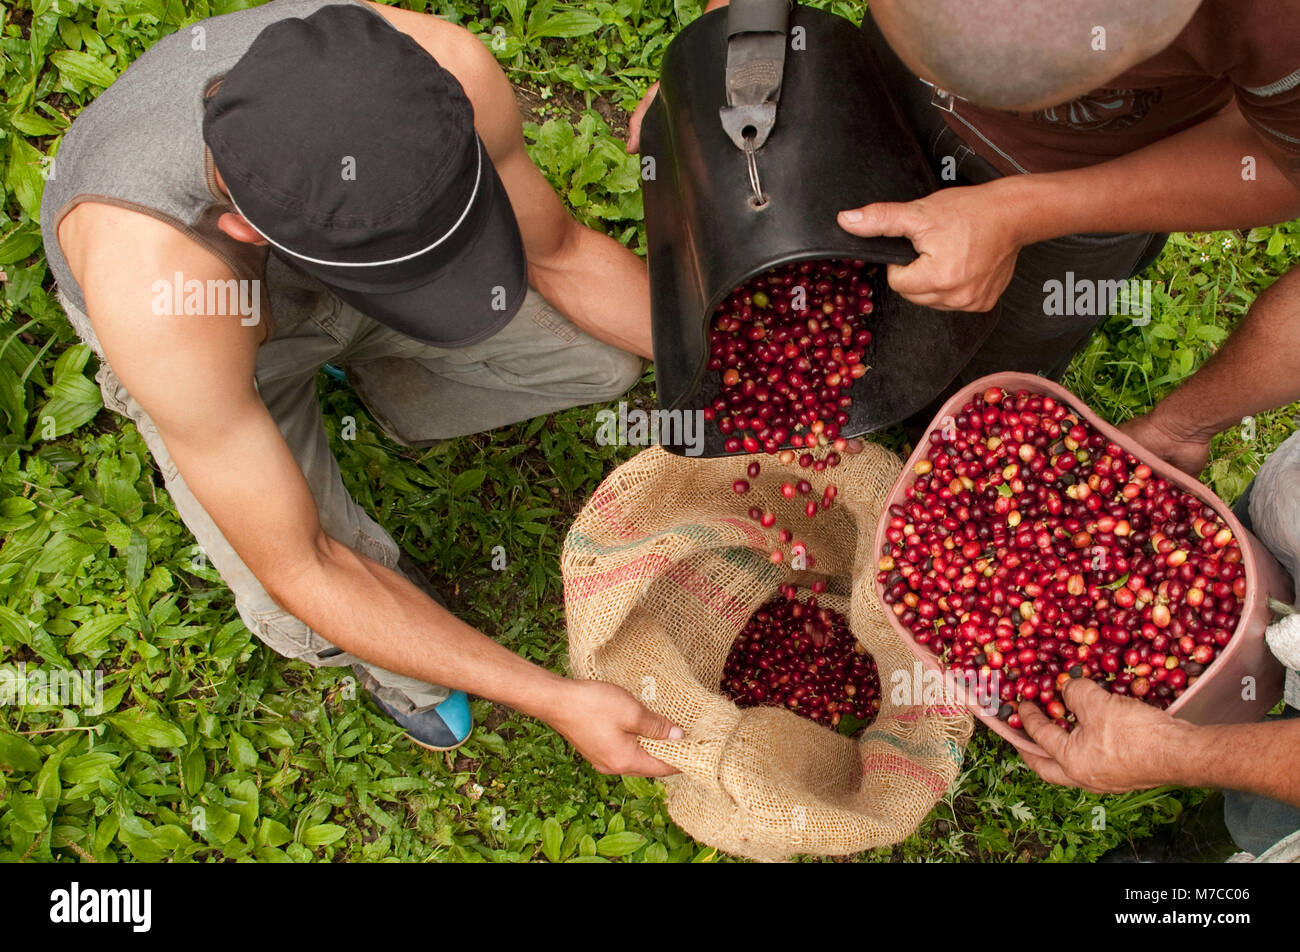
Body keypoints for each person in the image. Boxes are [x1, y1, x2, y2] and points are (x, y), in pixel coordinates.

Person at [41, 0, 681, 774]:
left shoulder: (444, 66)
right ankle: (400, 674)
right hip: (235, 349)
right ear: (248, 232)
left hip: (320, 286)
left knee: (600, 362)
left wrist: (737, 376)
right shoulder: (157, 290)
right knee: (318, 593)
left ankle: (382, 385)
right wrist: (556, 697)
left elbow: (563, 254)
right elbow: (303, 562)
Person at [627, 0, 1300, 386]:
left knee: (994, 354)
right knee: (850, 281)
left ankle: (934, 421)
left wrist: (1025, 211)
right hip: (880, 93)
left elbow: (1275, 165)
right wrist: (735, 60)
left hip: (1105, 175)